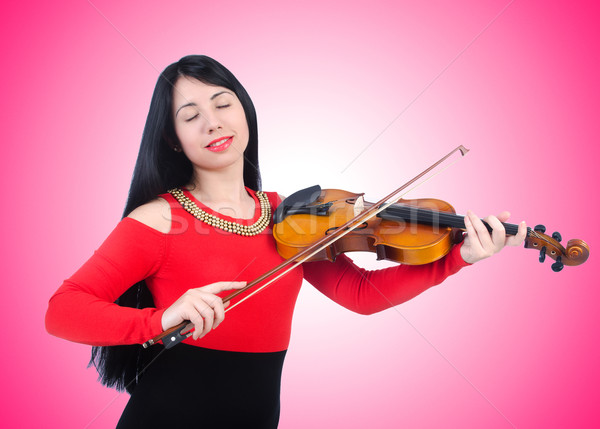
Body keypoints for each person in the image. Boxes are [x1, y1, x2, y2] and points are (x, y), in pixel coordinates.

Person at [45, 55, 527, 428]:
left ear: (244, 110)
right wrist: (162, 318)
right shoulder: (158, 219)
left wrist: (457, 257)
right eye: (190, 115)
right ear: (173, 139)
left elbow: (358, 295)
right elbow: (62, 311)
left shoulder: (290, 217)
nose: (212, 122)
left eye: (222, 102)